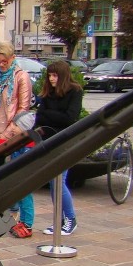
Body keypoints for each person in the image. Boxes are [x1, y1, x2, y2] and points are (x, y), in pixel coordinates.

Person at [0, 42, 34, 238]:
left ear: (12, 58)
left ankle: (18, 214)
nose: (1, 65)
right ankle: (5, 209)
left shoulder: (21, 76)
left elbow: (23, 111)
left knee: (14, 174)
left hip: (13, 133)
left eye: (4, 61)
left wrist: (7, 134)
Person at [35, 60, 82, 235]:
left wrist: (49, 115)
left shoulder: (75, 91)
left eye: (54, 75)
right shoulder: (48, 93)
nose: (51, 79)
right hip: (49, 141)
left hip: (65, 142)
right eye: (49, 75)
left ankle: (70, 218)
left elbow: (70, 118)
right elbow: (39, 118)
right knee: (53, 182)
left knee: (59, 182)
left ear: (62, 76)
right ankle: (59, 219)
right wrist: (53, 116)